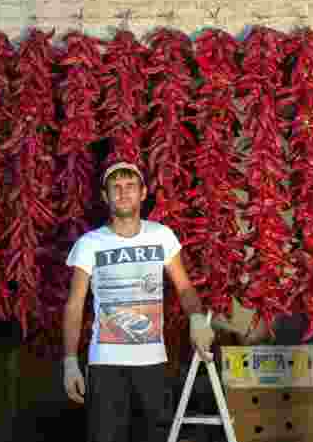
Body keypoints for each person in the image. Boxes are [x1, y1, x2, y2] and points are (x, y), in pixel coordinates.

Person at [62, 161, 216, 442]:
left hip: (153, 364)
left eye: (130, 187)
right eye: (116, 188)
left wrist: (196, 318)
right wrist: (70, 360)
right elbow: (74, 304)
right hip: (105, 365)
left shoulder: (161, 236)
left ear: (143, 193)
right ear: (105, 197)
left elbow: (184, 288)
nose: (123, 193)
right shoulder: (89, 244)